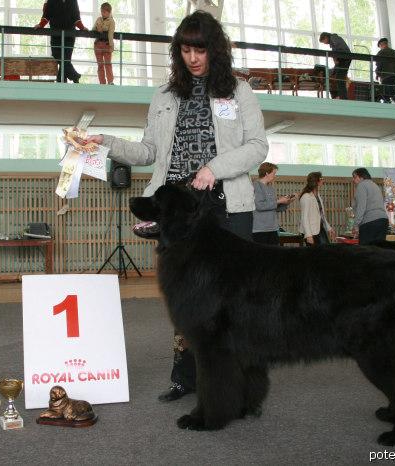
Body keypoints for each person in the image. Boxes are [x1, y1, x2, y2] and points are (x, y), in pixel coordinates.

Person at [86, 11, 268, 401]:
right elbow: (149, 151)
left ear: (214, 49)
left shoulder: (239, 90)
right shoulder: (165, 95)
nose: (193, 57)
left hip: (226, 206)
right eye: (185, 49)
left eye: (200, 49)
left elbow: (257, 147)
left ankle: (244, 385)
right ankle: (186, 377)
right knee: (187, 299)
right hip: (179, 212)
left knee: (237, 304)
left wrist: (213, 169)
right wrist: (105, 141)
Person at [34, 0, 88, 83]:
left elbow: (76, 17)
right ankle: (74, 76)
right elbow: (46, 15)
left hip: (69, 34)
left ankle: (61, 80)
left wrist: (82, 28)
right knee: (56, 55)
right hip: (55, 33)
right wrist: (41, 25)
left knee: (66, 58)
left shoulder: (73, 1)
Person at [252, 162, 295, 245]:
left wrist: (286, 202)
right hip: (260, 229)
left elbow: (274, 207)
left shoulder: (271, 188)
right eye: (274, 173)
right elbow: (259, 206)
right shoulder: (256, 185)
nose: (275, 176)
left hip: (273, 228)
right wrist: (279, 201)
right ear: (267, 173)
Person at [351, 168, 389, 244]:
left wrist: (356, 225)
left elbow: (361, 207)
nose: (353, 180)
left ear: (361, 177)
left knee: (367, 252)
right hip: (383, 221)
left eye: (355, 177)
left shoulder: (361, 185)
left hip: (370, 222)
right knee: (379, 250)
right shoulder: (375, 185)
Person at [299, 172, 335, 246]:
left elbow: (321, 215)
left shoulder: (317, 194)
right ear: (316, 181)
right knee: (315, 255)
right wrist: (308, 235)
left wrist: (329, 228)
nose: (323, 180)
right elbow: (304, 217)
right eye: (321, 179)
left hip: (319, 229)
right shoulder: (306, 196)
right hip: (310, 231)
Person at [319, 32, 351, 100]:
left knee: (340, 78)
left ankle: (343, 97)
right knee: (337, 76)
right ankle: (341, 96)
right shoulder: (334, 39)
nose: (325, 43)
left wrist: (335, 57)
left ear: (325, 37)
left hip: (344, 58)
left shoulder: (334, 38)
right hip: (343, 58)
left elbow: (339, 48)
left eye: (324, 41)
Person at [375, 38, 395, 105]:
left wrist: (378, 74)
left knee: (385, 94)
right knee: (394, 94)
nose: (380, 48)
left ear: (381, 44)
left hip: (386, 77)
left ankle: (387, 106)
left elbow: (379, 65)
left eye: (380, 46)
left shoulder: (381, 53)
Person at [93, 2, 115, 85]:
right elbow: (93, 29)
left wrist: (111, 45)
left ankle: (110, 81)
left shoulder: (111, 21)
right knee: (100, 65)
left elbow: (110, 34)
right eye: (102, 11)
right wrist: (97, 28)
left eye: (104, 12)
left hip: (106, 45)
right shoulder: (99, 19)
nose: (103, 13)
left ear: (109, 12)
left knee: (108, 64)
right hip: (98, 44)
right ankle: (102, 82)